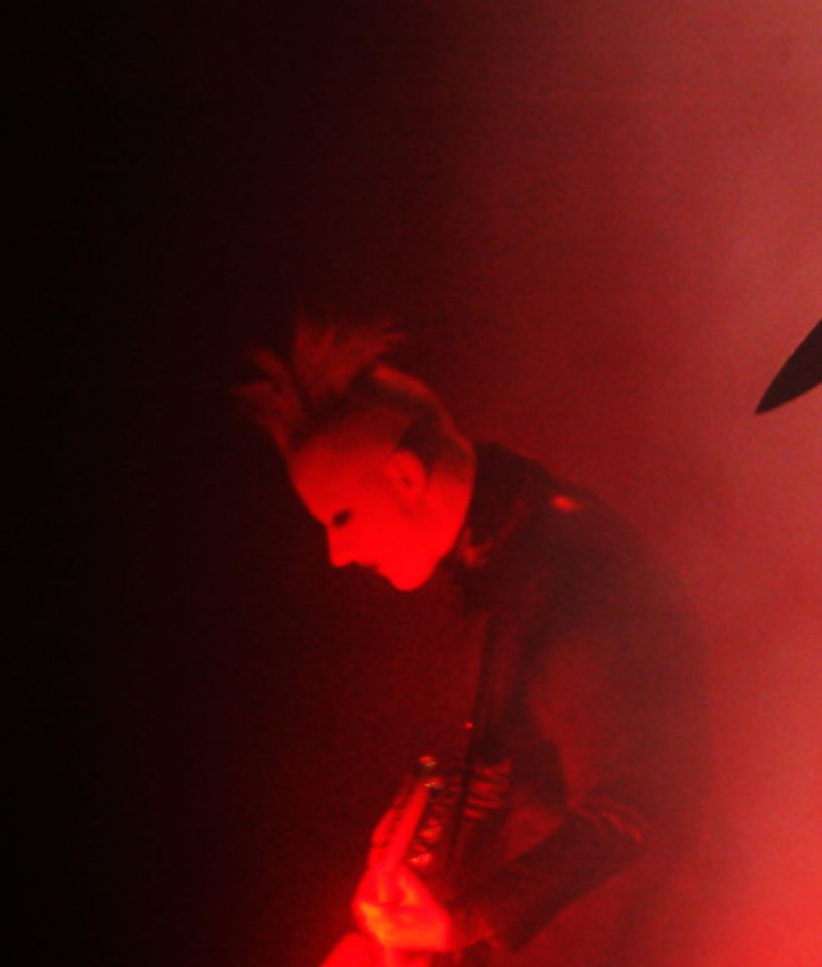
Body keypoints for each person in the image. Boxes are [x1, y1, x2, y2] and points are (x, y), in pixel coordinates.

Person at [239, 320, 709, 966]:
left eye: (341, 516)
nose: (336, 553)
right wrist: (411, 832)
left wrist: (463, 924)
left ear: (405, 478)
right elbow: (503, 750)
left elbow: (638, 806)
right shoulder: (491, 557)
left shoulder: (572, 577)